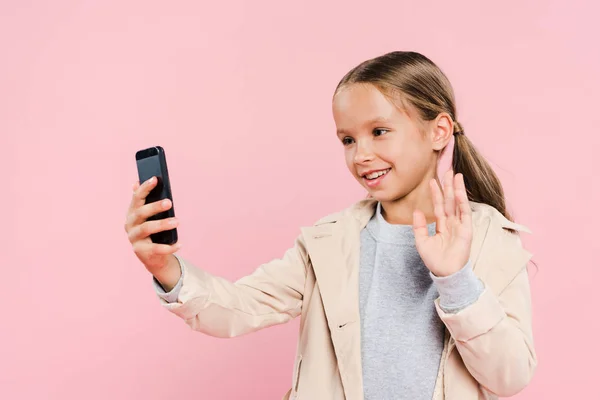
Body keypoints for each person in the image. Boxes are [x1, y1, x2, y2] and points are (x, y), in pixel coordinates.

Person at [124, 51, 536, 400]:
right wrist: (166, 268)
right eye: (348, 140)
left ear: (439, 131)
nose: (361, 155)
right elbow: (238, 307)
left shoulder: (489, 239)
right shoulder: (328, 243)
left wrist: (456, 280)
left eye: (379, 132)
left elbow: (510, 375)